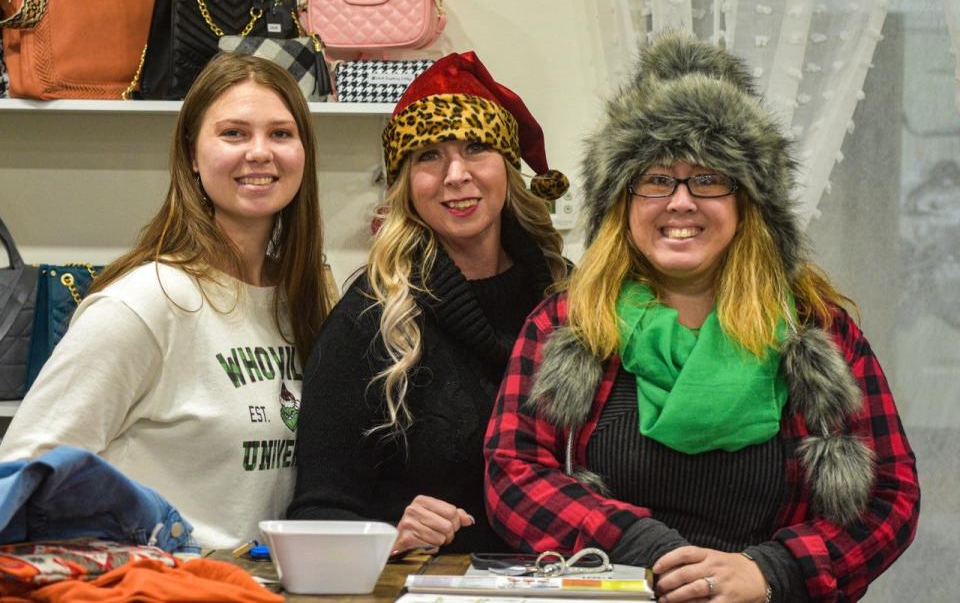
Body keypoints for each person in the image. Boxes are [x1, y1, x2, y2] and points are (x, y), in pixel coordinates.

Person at [484, 33, 920, 602]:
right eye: (657, 179)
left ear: (748, 202)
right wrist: (642, 548)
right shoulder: (568, 325)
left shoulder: (817, 331)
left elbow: (889, 495)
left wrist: (773, 570)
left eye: (710, 178)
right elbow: (513, 473)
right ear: (622, 200)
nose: (681, 202)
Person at [0, 53, 333, 548]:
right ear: (192, 157)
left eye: (281, 134)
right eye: (234, 133)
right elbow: (24, 476)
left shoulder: (304, 299)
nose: (260, 152)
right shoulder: (145, 302)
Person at [288, 52, 570, 555]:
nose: (455, 175)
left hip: (574, 579)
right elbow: (318, 511)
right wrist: (388, 536)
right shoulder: (372, 315)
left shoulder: (569, 300)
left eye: (477, 148)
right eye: (428, 155)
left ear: (508, 167)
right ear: (404, 184)